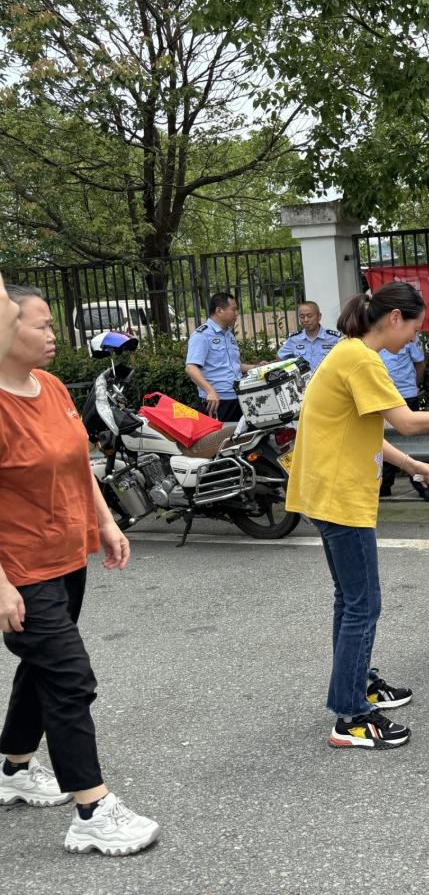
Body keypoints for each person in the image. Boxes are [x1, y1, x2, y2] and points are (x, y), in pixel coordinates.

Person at [285, 282, 429, 750]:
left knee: (350, 600)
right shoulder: (361, 358)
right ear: (395, 318)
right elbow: (406, 421)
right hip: (340, 496)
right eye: (415, 328)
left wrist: (410, 464)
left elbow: (365, 428)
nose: (415, 339)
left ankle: (356, 683)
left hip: (328, 492)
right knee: (362, 604)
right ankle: (351, 716)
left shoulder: (349, 353)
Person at [0, 286, 160, 856]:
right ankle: (92, 810)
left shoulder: (51, 387)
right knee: (70, 677)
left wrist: (106, 523)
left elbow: (78, 465)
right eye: (39, 325)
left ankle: (14, 766)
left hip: (67, 557)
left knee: (42, 666)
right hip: (21, 570)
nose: (52, 336)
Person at [378, 321, 429, 500]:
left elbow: (420, 364)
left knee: (413, 442)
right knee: (384, 439)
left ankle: (422, 485)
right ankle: (384, 485)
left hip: (406, 395)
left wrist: (412, 385)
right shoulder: (375, 337)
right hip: (381, 397)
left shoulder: (408, 335)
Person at [185, 291, 248, 422]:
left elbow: (234, 365)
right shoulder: (202, 335)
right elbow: (191, 368)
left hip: (238, 398)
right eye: (233, 309)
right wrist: (210, 391)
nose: (236, 314)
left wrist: (256, 367)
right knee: (222, 435)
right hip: (218, 402)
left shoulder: (229, 334)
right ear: (219, 310)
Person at [277, 300, 341, 375]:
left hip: (326, 380)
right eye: (302, 317)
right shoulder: (294, 339)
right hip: (304, 381)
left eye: (310, 316)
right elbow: (280, 357)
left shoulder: (334, 338)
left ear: (319, 316)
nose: (306, 320)